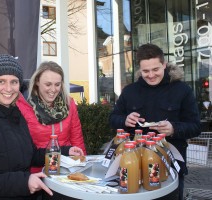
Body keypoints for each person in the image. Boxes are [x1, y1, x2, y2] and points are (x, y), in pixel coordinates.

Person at [0, 54, 83, 200]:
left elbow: (31, 155)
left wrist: (64, 150)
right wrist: (24, 182)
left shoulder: (16, 115)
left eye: (14, 82)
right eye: (1, 81)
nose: (8, 88)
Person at [109, 43, 201, 200]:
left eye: (155, 69)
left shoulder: (182, 90)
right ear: (139, 69)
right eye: (145, 71)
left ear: (164, 65)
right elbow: (112, 119)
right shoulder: (130, 91)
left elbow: (195, 126)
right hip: (133, 164)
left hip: (170, 164)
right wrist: (125, 120)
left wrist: (174, 128)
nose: (151, 75)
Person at [17, 61, 87, 173]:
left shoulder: (69, 103)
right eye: (48, 84)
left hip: (65, 171)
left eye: (57, 84)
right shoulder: (22, 106)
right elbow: (22, 150)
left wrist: (81, 167)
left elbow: (77, 139)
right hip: (35, 173)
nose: (53, 90)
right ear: (37, 82)